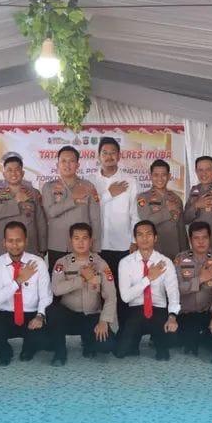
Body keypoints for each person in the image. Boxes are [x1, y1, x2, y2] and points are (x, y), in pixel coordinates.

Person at [48, 222, 117, 366]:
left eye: (84, 238)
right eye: (76, 238)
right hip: (69, 316)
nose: (80, 242)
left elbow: (111, 295)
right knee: (52, 311)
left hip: (91, 317)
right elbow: (56, 289)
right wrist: (82, 279)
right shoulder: (62, 263)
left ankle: (88, 342)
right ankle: (60, 352)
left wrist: (104, 321)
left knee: (107, 346)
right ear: (70, 241)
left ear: (91, 241)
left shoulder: (101, 264)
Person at [0, 221, 52, 366]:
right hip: (5, 314)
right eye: (10, 241)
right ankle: (5, 352)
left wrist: (40, 316)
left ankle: (29, 348)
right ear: (4, 242)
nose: (15, 245)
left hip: (31, 314)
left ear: (26, 241)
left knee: (45, 340)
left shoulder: (38, 262)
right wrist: (19, 281)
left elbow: (45, 295)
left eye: (19, 240)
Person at [114, 220, 180, 361]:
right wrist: (148, 278)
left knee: (165, 352)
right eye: (140, 235)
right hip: (135, 310)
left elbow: (173, 292)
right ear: (135, 238)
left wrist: (172, 317)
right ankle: (134, 340)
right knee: (121, 352)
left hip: (159, 309)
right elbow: (125, 297)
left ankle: (158, 339)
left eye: (148, 234)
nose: (144, 238)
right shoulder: (125, 263)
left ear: (155, 238)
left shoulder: (165, 262)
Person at [91, 137, 139, 321]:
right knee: (98, 289)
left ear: (119, 156)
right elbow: (90, 209)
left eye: (113, 153)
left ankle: (124, 331)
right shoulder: (90, 181)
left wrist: (134, 241)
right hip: (98, 245)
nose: (109, 156)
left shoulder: (130, 181)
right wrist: (108, 194)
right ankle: (101, 331)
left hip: (123, 245)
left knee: (122, 291)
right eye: (105, 153)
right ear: (98, 156)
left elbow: (135, 214)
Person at [175, 221, 212, 364]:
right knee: (184, 341)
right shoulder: (180, 259)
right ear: (190, 240)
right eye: (196, 238)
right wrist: (200, 279)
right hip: (188, 313)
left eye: (204, 237)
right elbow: (176, 289)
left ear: (210, 238)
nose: (201, 242)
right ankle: (199, 338)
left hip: (210, 311)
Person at [42, 146, 101, 271]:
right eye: (63, 161)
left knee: (84, 279)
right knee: (57, 280)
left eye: (71, 161)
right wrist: (73, 199)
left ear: (78, 165)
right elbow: (51, 212)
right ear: (57, 164)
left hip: (82, 245)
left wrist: (95, 245)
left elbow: (95, 219)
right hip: (57, 244)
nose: (67, 165)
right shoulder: (49, 187)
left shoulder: (88, 186)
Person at [0, 152, 46, 257]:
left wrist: (42, 247)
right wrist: (16, 200)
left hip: (29, 248)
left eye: (17, 170)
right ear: (4, 174)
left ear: (23, 173)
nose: (13, 173)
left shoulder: (33, 193)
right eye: (9, 170)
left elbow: (40, 221)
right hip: (4, 250)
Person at [136, 159, 187, 260]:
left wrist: (185, 252)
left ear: (169, 176)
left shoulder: (176, 198)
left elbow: (181, 228)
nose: (160, 178)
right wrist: (167, 210)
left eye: (163, 175)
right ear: (150, 176)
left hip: (175, 251)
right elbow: (146, 222)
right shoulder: (143, 198)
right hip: (154, 251)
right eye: (156, 175)